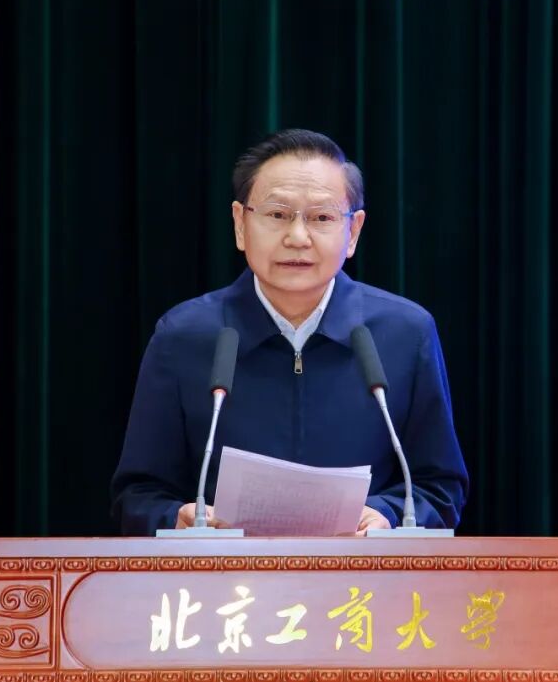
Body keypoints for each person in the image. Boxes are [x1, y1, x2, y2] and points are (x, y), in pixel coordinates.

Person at [111, 129, 467, 534]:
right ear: (240, 224)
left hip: (361, 572)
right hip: (224, 573)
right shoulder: (183, 337)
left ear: (353, 232)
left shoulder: (405, 333)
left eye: (322, 218)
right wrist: (177, 519)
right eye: (278, 215)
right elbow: (137, 495)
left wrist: (386, 514)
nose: (297, 238)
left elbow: (439, 487)